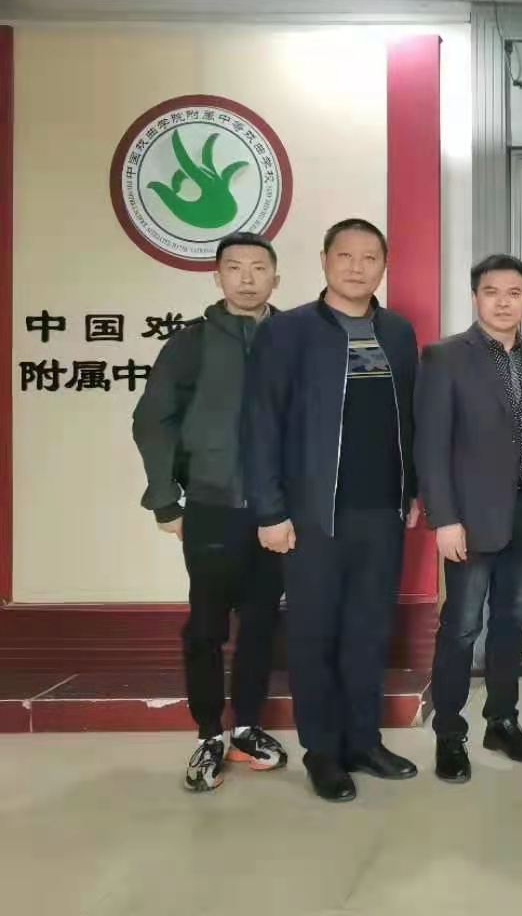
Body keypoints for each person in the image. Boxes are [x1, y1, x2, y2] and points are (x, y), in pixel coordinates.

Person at [244, 218, 421, 803]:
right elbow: (261, 423)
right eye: (345, 256)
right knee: (314, 633)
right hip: (312, 515)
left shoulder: (397, 332)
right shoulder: (289, 331)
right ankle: (322, 751)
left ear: (383, 266)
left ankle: (363, 742)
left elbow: (410, 419)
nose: (357, 267)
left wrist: (413, 490)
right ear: (324, 261)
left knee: (369, 630)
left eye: (370, 258)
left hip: (381, 511)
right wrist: (269, 511)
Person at [132, 232, 288, 793]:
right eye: (235, 268)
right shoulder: (191, 343)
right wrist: (165, 498)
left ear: (276, 277)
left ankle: (245, 727)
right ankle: (207, 733)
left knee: (262, 621)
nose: (247, 278)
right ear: (217, 276)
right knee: (205, 626)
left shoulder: (293, 339)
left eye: (258, 268)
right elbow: (153, 420)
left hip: (277, 513)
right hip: (211, 507)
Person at [418, 254, 522, 784]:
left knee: (511, 622)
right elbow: (430, 444)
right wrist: (444, 518)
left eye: (513, 293)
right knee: (461, 627)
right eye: (491, 292)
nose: (503, 302)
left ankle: (502, 721)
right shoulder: (444, 357)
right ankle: (449, 734)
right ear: (475, 297)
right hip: (470, 519)